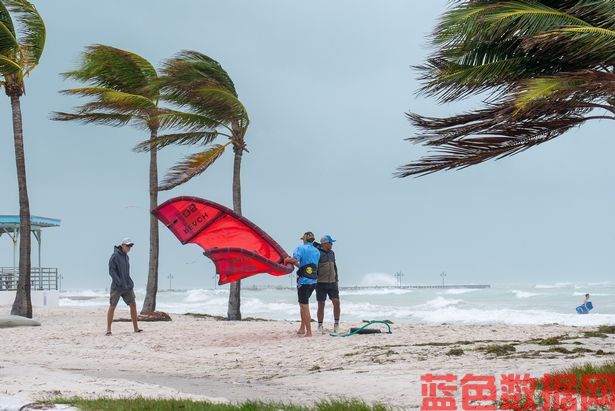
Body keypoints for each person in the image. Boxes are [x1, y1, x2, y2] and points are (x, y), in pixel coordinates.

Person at [284, 232, 320, 337]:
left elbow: (295, 259)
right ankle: (302, 328)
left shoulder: (300, 248)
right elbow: (304, 266)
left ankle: (309, 332)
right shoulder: (316, 251)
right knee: (302, 305)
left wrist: (287, 260)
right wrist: (295, 263)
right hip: (313, 281)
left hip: (303, 282)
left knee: (304, 306)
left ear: (304, 239)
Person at [106, 238, 142, 336]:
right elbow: (111, 271)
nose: (129, 248)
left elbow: (126, 272)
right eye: (127, 246)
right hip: (117, 287)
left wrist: (129, 282)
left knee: (133, 305)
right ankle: (108, 330)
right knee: (112, 306)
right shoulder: (114, 256)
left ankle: (136, 328)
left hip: (127, 286)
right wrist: (118, 282)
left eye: (130, 246)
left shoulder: (126, 257)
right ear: (122, 245)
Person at [315, 235, 341, 333]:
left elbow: (334, 267)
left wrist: (337, 280)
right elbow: (315, 268)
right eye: (330, 242)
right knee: (321, 304)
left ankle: (336, 324)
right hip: (320, 283)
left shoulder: (332, 253)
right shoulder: (317, 253)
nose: (332, 244)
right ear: (325, 244)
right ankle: (320, 325)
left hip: (332, 283)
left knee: (337, 302)